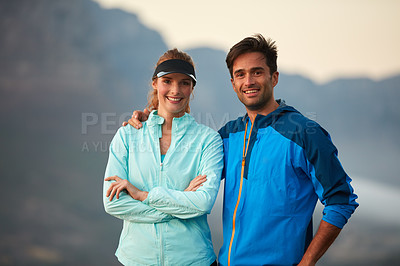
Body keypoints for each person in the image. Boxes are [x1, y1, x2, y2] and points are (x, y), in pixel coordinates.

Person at [125, 34, 359, 266]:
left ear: (274, 77)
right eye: (240, 74)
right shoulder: (227, 136)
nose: (248, 81)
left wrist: (307, 262)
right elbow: (185, 160)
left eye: (257, 72)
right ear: (233, 83)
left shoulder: (304, 133)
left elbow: (341, 200)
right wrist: (151, 117)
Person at [103, 48, 224, 266]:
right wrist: (179, 203)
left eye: (184, 83)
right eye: (167, 81)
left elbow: (203, 203)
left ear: (192, 88)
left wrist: (143, 195)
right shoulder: (128, 135)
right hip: (136, 260)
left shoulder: (208, 140)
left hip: (193, 260)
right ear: (155, 83)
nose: (175, 90)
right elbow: (113, 204)